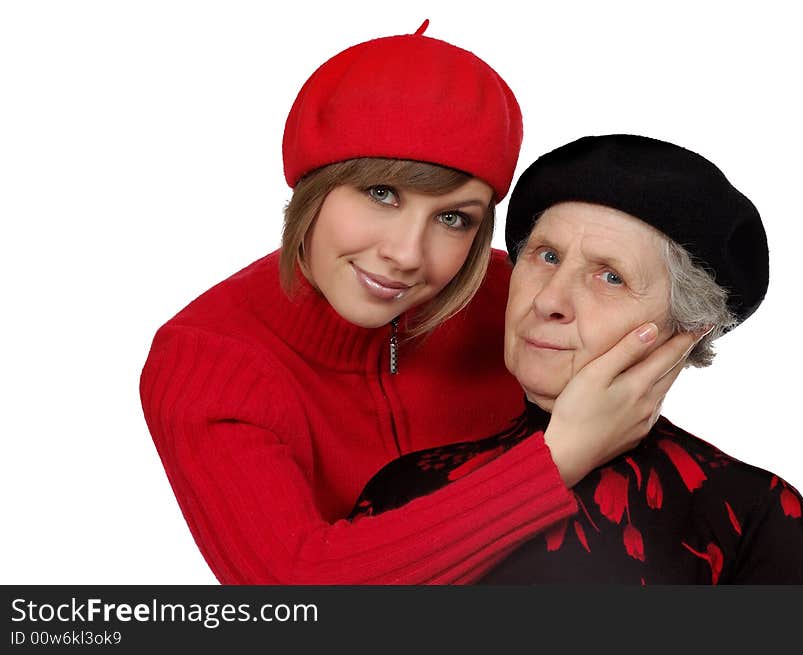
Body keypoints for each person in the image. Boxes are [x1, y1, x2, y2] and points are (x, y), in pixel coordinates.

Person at [139, 26, 699, 584]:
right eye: (382, 194)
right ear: (313, 183)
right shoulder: (209, 363)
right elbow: (298, 593)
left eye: (453, 218)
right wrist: (557, 461)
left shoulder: (524, 303)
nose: (406, 255)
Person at [352, 134, 803, 584]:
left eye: (610, 277)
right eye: (546, 256)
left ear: (687, 330)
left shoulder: (750, 513)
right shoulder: (407, 487)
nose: (548, 301)